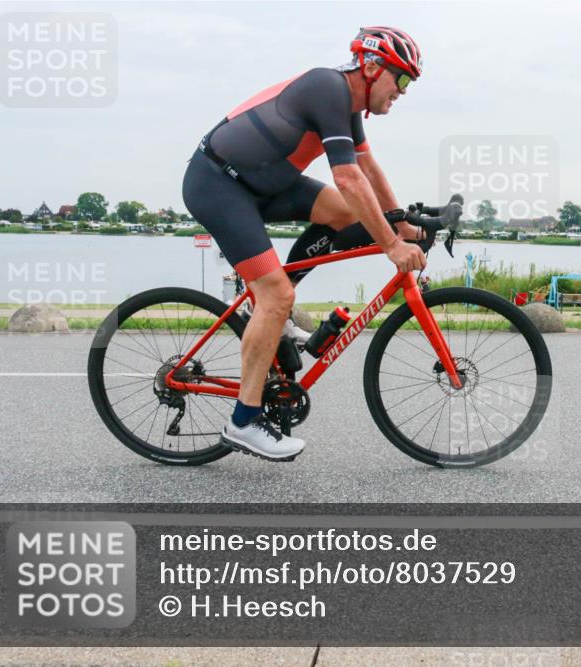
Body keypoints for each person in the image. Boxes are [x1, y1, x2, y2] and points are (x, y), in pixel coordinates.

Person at [182, 26, 427, 462]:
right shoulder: (327, 87)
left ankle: (276, 318)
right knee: (277, 294)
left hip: (265, 183)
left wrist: (401, 222)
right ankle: (243, 421)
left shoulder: (350, 104)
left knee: (347, 216)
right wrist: (391, 244)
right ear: (372, 68)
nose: (403, 91)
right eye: (402, 79)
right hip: (219, 184)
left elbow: (367, 166)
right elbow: (347, 177)